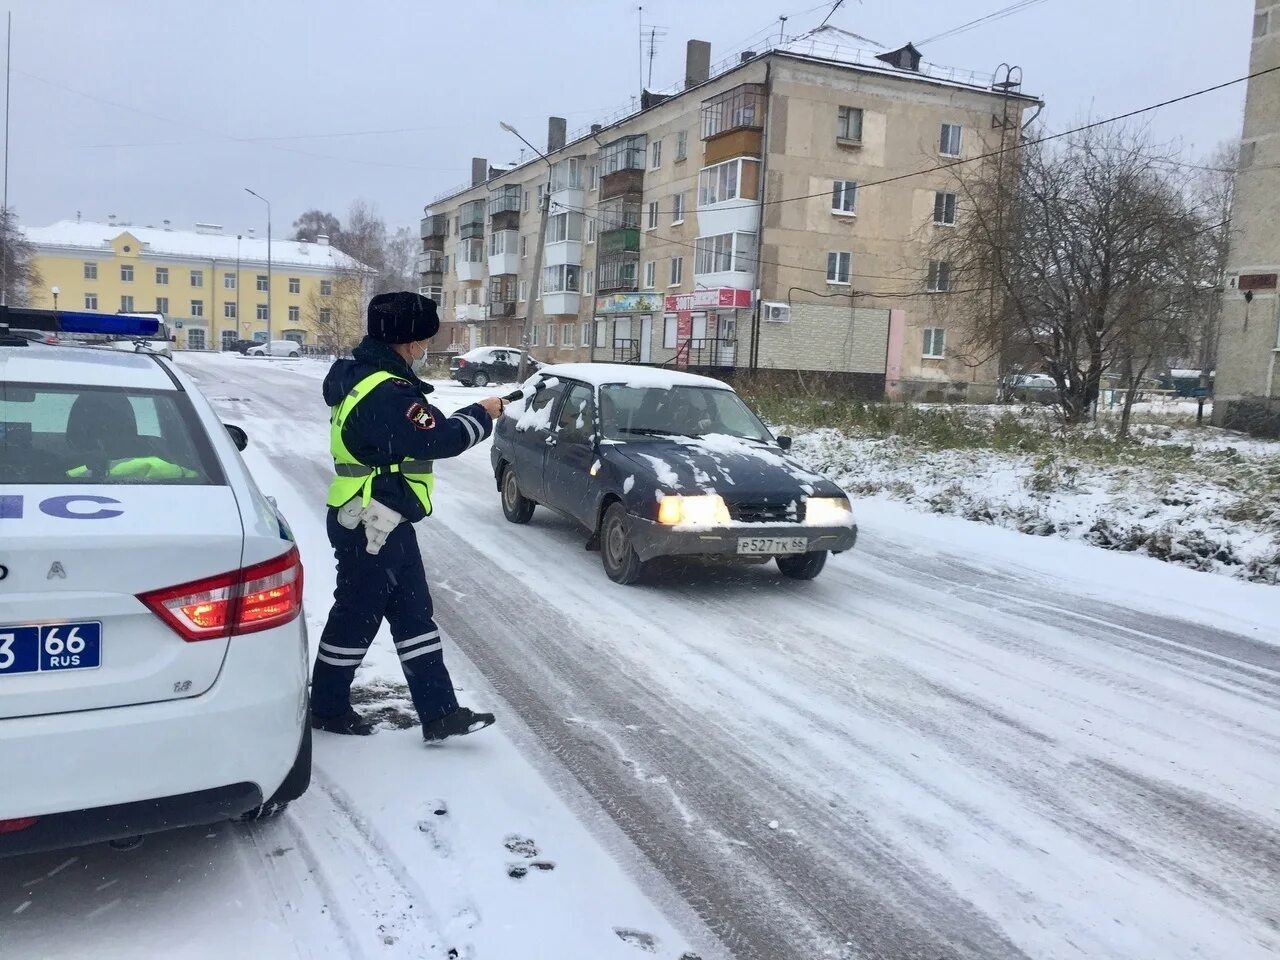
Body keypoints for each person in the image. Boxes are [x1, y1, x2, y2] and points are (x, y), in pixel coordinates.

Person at [311, 291, 505, 741]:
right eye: (423, 340)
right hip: (369, 521)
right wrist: (482, 413)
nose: (425, 349)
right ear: (407, 341)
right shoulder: (386, 390)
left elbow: (422, 433)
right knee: (355, 617)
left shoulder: (367, 378)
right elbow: (437, 439)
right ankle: (327, 707)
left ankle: (439, 713)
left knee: (415, 613)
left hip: (386, 517)